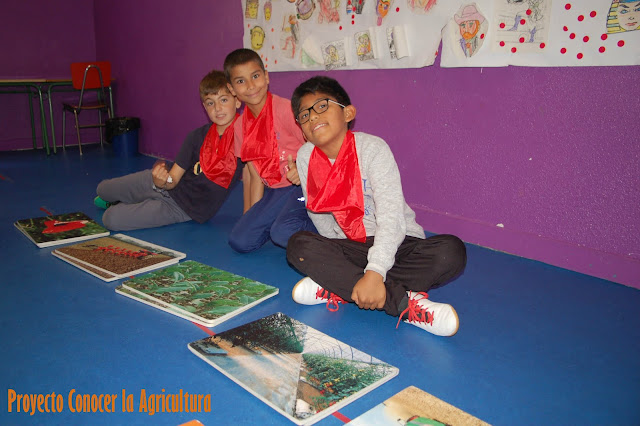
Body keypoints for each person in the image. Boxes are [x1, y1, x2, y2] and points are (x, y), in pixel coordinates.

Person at [286, 76, 467, 337]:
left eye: (322, 106)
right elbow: (318, 213)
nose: (313, 117)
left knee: (450, 252)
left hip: (397, 242)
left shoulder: (372, 149)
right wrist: (337, 254)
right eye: (304, 115)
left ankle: (337, 283)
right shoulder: (306, 156)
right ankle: (405, 305)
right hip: (352, 246)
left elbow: (391, 218)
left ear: (348, 113)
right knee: (299, 245)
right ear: (301, 129)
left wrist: (375, 272)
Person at [94, 70, 243, 231]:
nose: (218, 108)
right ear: (204, 107)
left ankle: (126, 201)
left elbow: (253, 178)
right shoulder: (196, 136)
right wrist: (161, 181)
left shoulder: (245, 141)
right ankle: (121, 198)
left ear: (237, 101)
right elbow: (173, 179)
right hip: (164, 184)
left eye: (224, 100)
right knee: (103, 189)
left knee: (111, 218)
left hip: (181, 209)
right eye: (210, 103)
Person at [223, 48, 315, 252]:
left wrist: (302, 168)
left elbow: (319, 146)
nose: (250, 86)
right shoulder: (240, 127)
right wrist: (250, 217)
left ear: (266, 77)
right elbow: (254, 176)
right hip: (277, 190)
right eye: (240, 81)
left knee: (281, 232)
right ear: (231, 89)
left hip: (306, 183)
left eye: (255, 76)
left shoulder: (286, 110)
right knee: (240, 240)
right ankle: (287, 219)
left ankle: (331, 230)